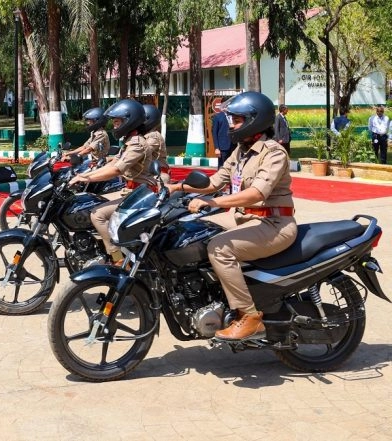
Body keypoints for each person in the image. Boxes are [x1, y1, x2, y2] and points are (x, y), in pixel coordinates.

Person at [166, 91, 297, 341]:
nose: (232, 125)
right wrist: (177, 187)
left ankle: (249, 316)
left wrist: (211, 202)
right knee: (188, 232)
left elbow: (256, 194)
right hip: (241, 217)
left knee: (219, 249)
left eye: (236, 120)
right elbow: (215, 181)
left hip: (273, 223)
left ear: (254, 121)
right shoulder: (241, 151)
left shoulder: (274, 153)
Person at [68, 99, 153, 266]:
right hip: (131, 191)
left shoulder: (137, 145)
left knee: (97, 214)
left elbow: (116, 170)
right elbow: (112, 164)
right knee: (92, 200)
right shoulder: (129, 142)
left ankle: (118, 259)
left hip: (140, 194)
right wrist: (85, 174)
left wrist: (85, 178)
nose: (114, 126)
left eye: (117, 122)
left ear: (130, 121)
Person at [140, 103, 170, 184]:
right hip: (145, 174)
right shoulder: (142, 135)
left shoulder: (154, 136)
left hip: (157, 174)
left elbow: (141, 151)